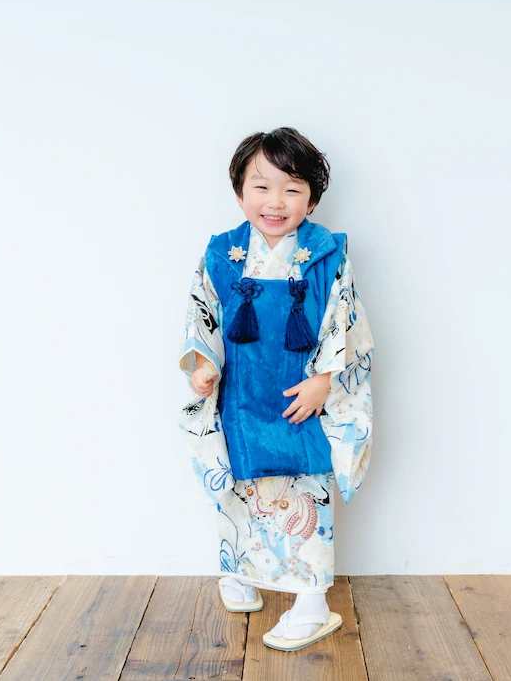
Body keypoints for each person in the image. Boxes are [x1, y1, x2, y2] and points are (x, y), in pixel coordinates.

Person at [178, 127, 374, 652]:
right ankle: (242, 573)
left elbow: (345, 322)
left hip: (300, 397)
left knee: (304, 491)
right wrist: (204, 365)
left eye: (292, 188)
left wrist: (325, 382)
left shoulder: (326, 253)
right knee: (241, 487)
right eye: (261, 187)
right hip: (241, 395)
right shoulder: (222, 253)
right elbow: (203, 315)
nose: (275, 201)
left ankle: (312, 604)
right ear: (239, 191)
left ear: (312, 198)